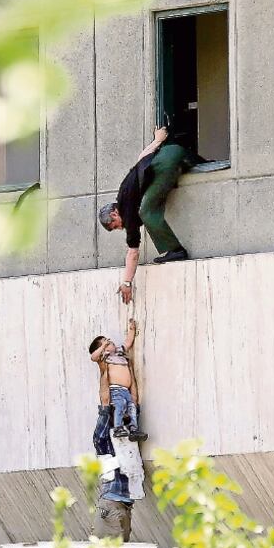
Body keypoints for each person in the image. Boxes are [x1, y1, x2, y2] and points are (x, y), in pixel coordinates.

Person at [98, 127, 193, 304]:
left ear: (114, 213)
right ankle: (188, 162)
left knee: (146, 211)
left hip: (167, 160)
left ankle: (176, 250)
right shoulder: (124, 192)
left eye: (115, 225)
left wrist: (126, 282)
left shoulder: (128, 212)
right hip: (172, 152)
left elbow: (133, 253)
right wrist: (157, 140)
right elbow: (141, 159)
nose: (120, 228)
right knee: (146, 207)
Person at [88, 318, 147, 442]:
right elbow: (93, 357)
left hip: (126, 390)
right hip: (116, 390)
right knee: (120, 406)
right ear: (103, 349)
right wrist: (103, 347)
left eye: (108, 341)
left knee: (132, 407)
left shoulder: (120, 352)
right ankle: (118, 428)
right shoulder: (105, 357)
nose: (110, 342)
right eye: (106, 343)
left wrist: (132, 328)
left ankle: (133, 429)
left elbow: (128, 342)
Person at [91, 398, 135, 541]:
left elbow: (134, 410)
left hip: (124, 507)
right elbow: (104, 418)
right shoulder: (105, 443)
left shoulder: (128, 438)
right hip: (111, 506)